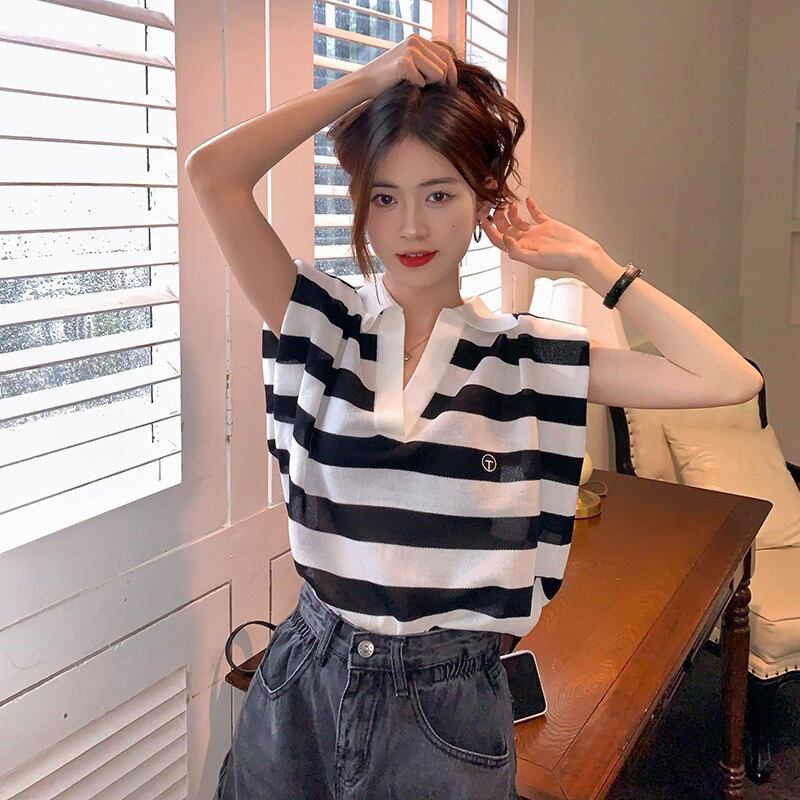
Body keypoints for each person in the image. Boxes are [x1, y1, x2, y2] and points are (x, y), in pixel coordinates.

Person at [186, 34, 762, 800]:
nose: (410, 228)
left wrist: (592, 262)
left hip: (446, 702)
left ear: (482, 200)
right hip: (304, 682)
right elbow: (213, 174)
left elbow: (730, 380)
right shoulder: (321, 322)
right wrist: (364, 82)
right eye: (384, 197)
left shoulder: (526, 356)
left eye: (439, 194)